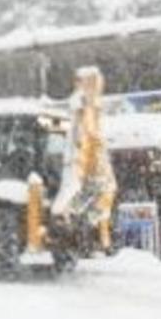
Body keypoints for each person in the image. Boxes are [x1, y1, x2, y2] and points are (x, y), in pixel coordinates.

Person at [52, 67, 118, 251]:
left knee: (104, 188)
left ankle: (91, 230)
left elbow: (86, 140)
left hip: (76, 170)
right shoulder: (81, 113)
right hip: (76, 169)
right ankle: (93, 231)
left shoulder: (84, 115)